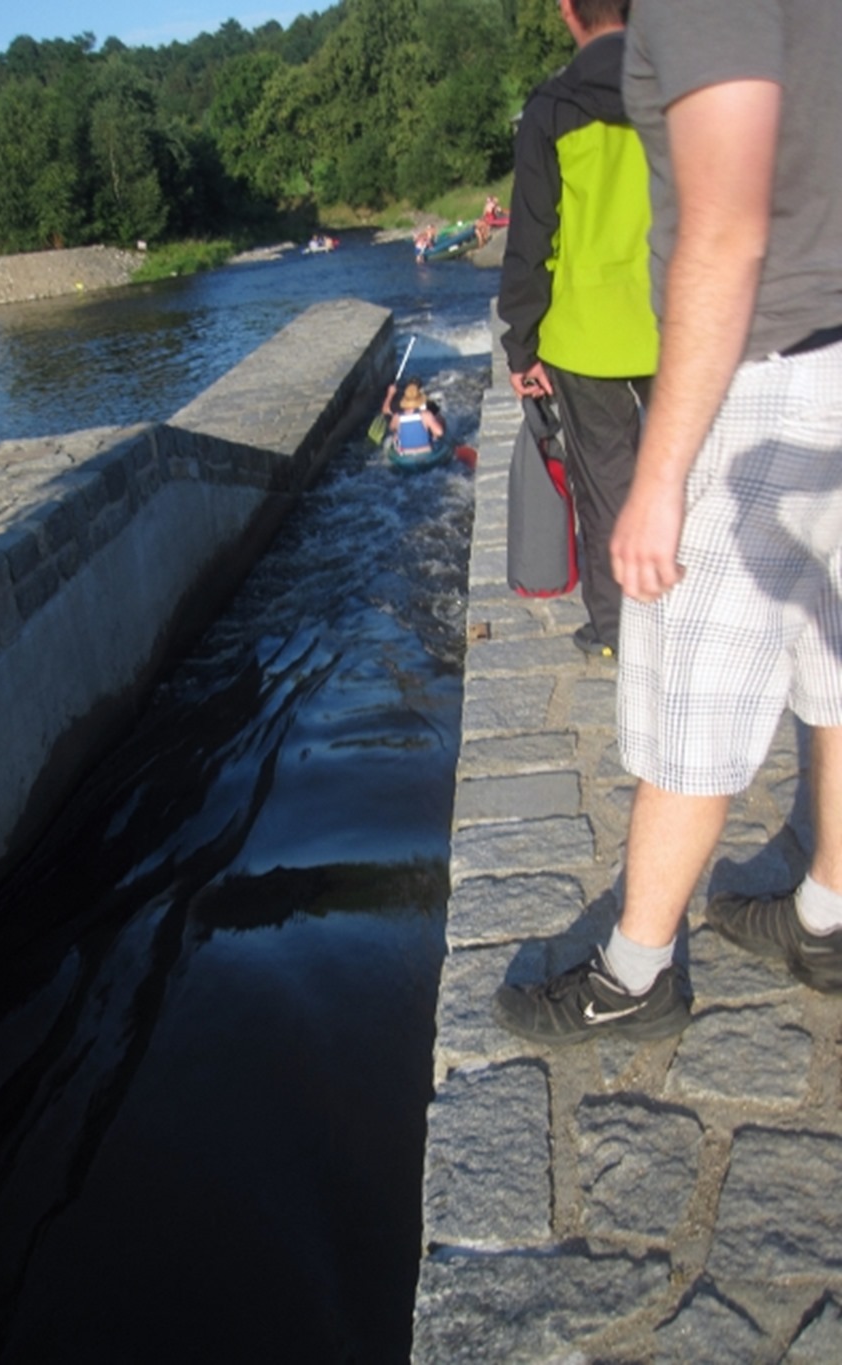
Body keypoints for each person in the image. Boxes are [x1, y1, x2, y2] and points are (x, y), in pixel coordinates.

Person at [494, 0, 842, 1044]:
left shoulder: (686, 12)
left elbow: (725, 229)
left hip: (765, 367)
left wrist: (663, 475)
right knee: (832, 655)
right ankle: (824, 912)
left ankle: (634, 976)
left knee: (691, 683)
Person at [498, 0, 659, 658]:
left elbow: (531, 240)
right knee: (693, 475)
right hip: (672, 315)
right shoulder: (674, 86)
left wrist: (520, 343)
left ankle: (618, 630)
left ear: (568, 11)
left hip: (584, 334)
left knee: (606, 489)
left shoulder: (551, 108)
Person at [385, 380, 444, 455]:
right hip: (425, 451)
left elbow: (391, 427)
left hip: (405, 452)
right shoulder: (426, 415)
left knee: (395, 435)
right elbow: (440, 433)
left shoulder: (397, 416)